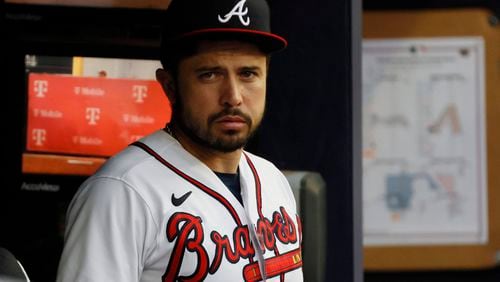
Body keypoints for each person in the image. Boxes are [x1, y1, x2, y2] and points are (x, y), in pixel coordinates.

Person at [56, 0, 303, 281]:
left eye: (248, 74)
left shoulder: (272, 180)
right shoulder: (121, 193)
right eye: (209, 74)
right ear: (170, 86)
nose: (233, 96)